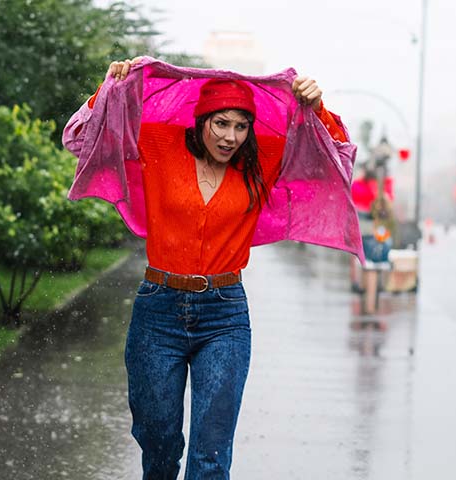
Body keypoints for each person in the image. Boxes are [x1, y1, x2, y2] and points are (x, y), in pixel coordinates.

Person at [63, 57, 359, 480]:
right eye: (221, 123)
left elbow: (333, 158)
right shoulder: (158, 143)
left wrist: (318, 108)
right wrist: (111, 89)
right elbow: (84, 138)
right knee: (159, 442)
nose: (231, 137)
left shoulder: (263, 159)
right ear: (201, 120)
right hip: (157, 312)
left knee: (211, 455)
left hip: (224, 318)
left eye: (241, 126)